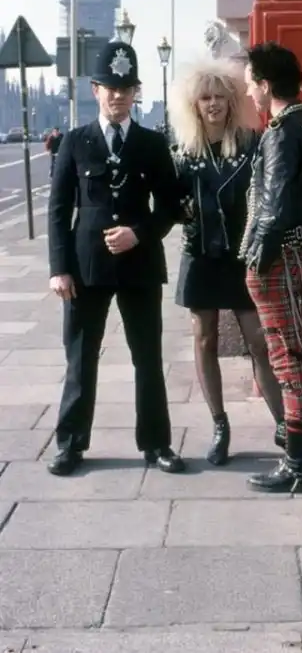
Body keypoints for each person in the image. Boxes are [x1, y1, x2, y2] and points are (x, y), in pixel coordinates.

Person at [47, 40, 185, 476]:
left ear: (136, 92)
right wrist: (59, 269)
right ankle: (70, 444)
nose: (118, 96)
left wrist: (138, 233)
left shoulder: (152, 144)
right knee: (81, 357)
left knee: (148, 357)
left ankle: (157, 443)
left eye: (126, 88)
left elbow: (171, 206)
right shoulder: (75, 142)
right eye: (110, 88)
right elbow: (58, 209)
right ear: (95, 90)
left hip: (139, 265)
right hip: (86, 268)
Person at [168, 56, 286, 465]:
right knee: (204, 339)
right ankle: (220, 426)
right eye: (205, 98)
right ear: (194, 105)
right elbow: (166, 204)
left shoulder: (252, 144)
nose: (213, 104)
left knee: (258, 340)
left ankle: (284, 425)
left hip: (242, 256)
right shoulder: (182, 153)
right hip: (200, 255)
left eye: (220, 96)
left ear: (232, 101)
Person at [241, 41, 302, 493]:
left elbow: (275, 204)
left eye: (250, 84)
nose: (249, 93)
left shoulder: (280, 132)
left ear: (265, 85)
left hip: (279, 256)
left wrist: (257, 256)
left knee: (286, 356)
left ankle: (298, 465)